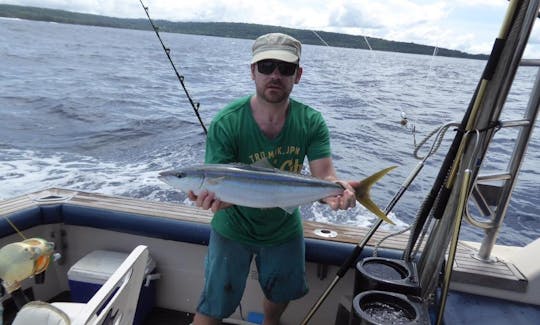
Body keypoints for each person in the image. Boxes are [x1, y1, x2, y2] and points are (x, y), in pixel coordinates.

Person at [190, 32, 357, 325]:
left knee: (280, 298)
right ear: (252, 71)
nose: (275, 75)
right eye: (266, 66)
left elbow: (324, 176)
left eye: (286, 68)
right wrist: (215, 202)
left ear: (298, 75)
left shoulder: (311, 121)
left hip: (283, 228)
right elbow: (218, 184)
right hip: (232, 229)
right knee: (214, 303)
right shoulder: (228, 122)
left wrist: (336, 191)